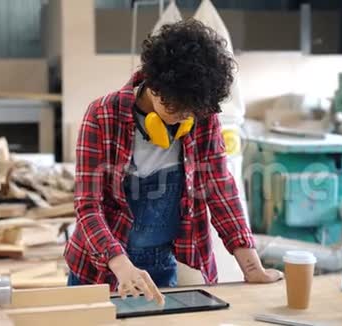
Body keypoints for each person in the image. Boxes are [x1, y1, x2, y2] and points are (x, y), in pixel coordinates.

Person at [64, 19, 282, 305]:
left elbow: (220, 191)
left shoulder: (201, 118)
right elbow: (88, 205)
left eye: (190, 111)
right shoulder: (103, 115)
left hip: (161, 268)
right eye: (174, 107)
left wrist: (253, 268)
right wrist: (120, 264)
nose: (183, 117)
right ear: (153, 84)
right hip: (99, 269)